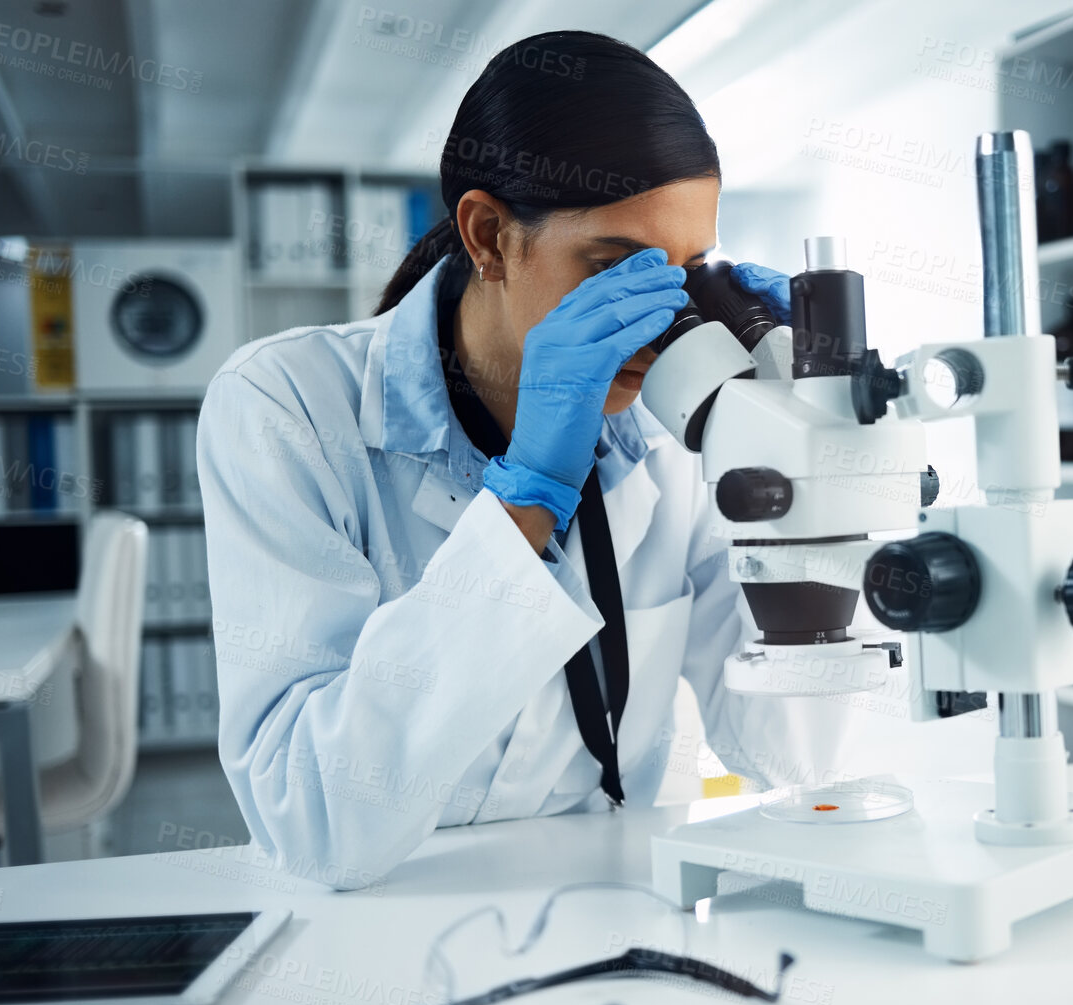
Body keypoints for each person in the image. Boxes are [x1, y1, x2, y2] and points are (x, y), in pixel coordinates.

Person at [198, 31, 858, 889]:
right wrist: (522, 506)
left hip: (613, 910)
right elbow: (315, 819)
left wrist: (812, 480)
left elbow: (793, 759)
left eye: (688, 275)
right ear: (487, 237)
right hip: (382, 920)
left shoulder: (675, 436)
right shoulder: (286, 407)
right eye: (616, 269)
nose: (658, 322)